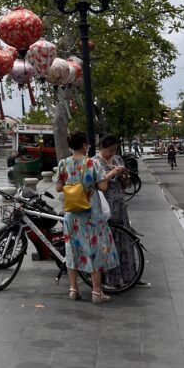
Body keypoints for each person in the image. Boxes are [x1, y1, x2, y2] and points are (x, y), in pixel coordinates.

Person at [55, 130, 120, 304]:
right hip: (92, 216)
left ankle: (73, 290)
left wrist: (74, 186)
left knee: (73, 251)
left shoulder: (63, 163)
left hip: (72, 215)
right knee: (95, 250)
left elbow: (59, 188)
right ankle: (96, 293)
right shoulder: (92, 163)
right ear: (84, 145)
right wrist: (107, 176)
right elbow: (103, 186)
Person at [98, 134, 146, 289]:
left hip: (119, 203)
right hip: (105, 205)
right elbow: (98, 184)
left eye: (114, 150)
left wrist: (125, 176)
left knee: (125, 240)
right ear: (102, 147)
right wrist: (111, 174)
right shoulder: (95, 162)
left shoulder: (118, 160)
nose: (112, 153)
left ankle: (130, 277)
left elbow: (124, 186)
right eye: (110, 150)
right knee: (109, 241)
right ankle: (111, 279)